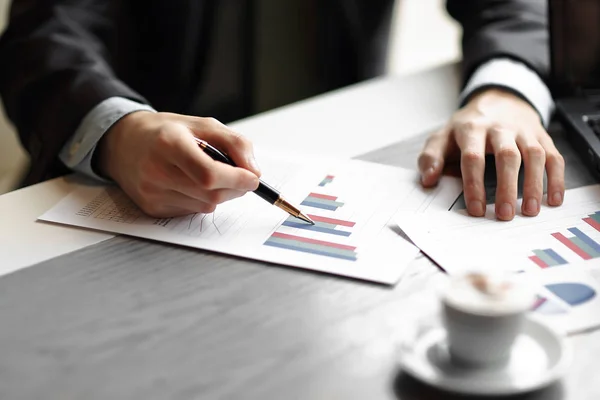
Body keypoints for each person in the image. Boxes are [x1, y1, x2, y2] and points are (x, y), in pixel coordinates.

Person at [0, 0, 564, 221]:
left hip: (337, 154)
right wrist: (119, 131)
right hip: (103, 192)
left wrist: (506, 90)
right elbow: (43, 35)